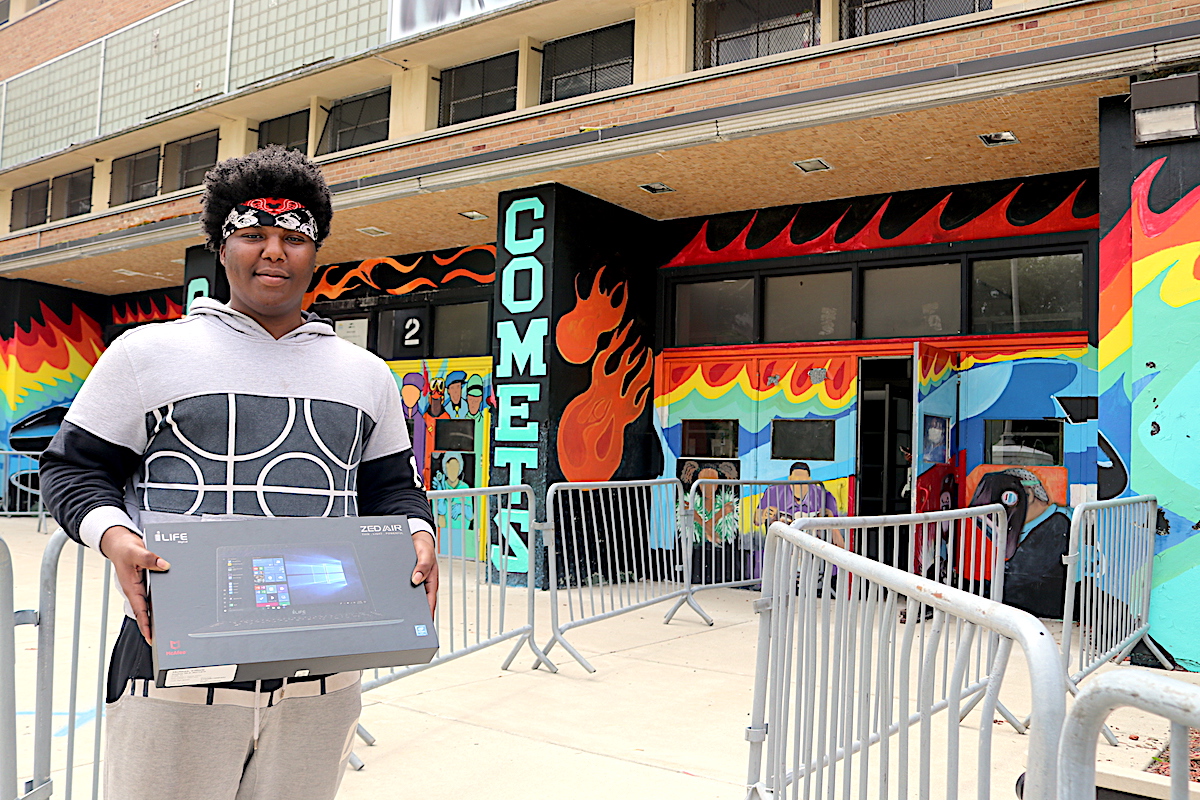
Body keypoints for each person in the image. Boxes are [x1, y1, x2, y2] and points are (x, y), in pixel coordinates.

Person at [38, 146, 438, 800]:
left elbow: (393, 488)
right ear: (220, 247)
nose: (274, 251)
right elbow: (74, 472)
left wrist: (417, 532)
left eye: (293, 237)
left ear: (316, 251)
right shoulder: (146, 356)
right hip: (171, 673)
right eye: (253, 234)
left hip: (322, 682)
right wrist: (115, 538)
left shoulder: (366, 374)